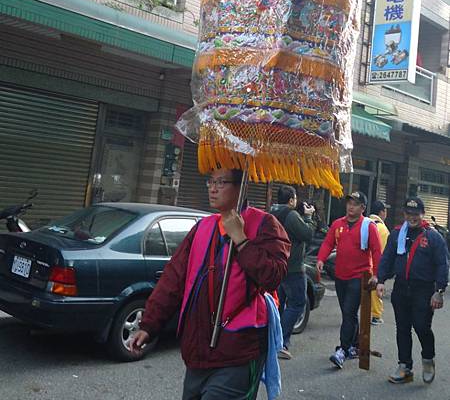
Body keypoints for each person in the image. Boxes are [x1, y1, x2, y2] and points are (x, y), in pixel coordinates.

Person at [130, 168, 290, 400]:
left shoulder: (265, 225)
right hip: (198, 349)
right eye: (211, 182)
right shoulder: (203, 228)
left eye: (221, 182)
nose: (213, 188)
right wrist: (148, 325)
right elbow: (173, 279)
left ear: (240, 186)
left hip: (238, 351)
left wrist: (242, 241)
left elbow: (273, 276)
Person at [376, 197, 448, 385]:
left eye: (416, 214)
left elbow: (442, 264)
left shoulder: (433, 237)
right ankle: (405, 366)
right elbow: (387, 257)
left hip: (424, 290)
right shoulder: (397, 234)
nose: (412, 217)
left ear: (422, 214)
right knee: (402, 328)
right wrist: (381, 279)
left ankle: (428, 359)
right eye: (409, 214)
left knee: (422, 327)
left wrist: (439, 291)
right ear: (404, 214)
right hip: (401, 288)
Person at [317, 191, 381, 369]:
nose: (350, 206)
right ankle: (356, 345)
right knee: (348, 313)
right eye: (349, 203)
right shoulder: (338, 224)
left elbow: (377, 251)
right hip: (340, 276)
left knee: (348, 312)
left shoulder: (369, 226)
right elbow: (328, 243)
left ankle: (342, 350)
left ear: (363, 208)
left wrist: (376, 274)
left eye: (355, 204)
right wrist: (321, 259)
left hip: (359, 277)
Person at [270, 185, 315, 359]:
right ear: (291, 200)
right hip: (293, 268)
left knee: (279, 304)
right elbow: (307, 234)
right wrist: (309, 217)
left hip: (277, 266)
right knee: (297, 303)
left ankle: (275, 341)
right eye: (295, 199)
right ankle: (280, 343)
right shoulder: (291, 215)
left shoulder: (272, 212)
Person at [369, 200, 390, 325]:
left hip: (361, 264)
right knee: (375, 289)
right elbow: (384, 251)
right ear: (382, 212)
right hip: (375, 264)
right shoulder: (382, 228)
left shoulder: (365, 223)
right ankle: (375, 316)